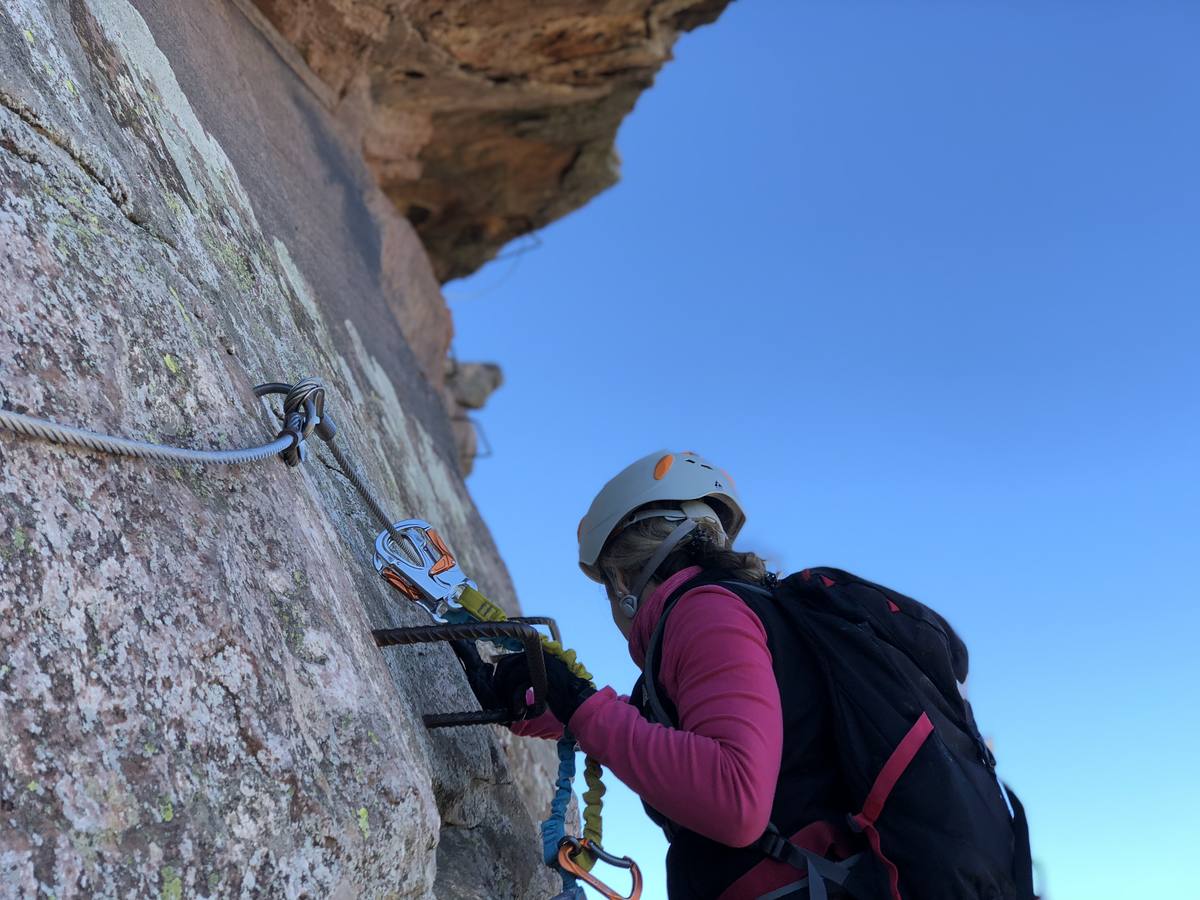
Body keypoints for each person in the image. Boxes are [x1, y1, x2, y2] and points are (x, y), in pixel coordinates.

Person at [461, 450, 1035, 900]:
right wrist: (548, 700)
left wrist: (584, 708)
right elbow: (647, 742)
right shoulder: (742, 619)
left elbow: (734, 799)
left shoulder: (707, 614)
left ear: (624, 578)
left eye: (610, 584)